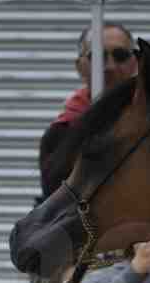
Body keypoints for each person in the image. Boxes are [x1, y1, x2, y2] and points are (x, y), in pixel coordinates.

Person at [39, 21, 139, 199]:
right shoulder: (60, 135)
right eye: (97, 57)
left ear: (135, 63)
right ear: (80, 67)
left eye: (120, 55)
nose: (109, 66)